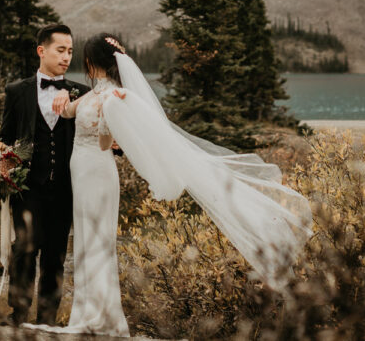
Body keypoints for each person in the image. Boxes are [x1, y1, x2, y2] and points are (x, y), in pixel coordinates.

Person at [26, 32, 313, 335]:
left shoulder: (113, 98)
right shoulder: (96, 94)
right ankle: (87, 314)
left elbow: (104, 143)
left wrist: (109, 120)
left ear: (90, 61)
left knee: (98, 243)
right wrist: (64, 100)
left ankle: (101, 317)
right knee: (86, 240)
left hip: (96, 173)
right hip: (82, 174)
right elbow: (70, 111)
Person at [0, 23, 90, 327]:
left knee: (54, 257)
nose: (66, 57)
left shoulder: (83, 93)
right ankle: (18, 316)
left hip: (64, 189)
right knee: (23, 250)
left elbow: (96, 135)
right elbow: (6, 137)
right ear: (42, 51)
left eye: (70, 51)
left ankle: (48, 321)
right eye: (60, 50)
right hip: (27, 188)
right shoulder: (17, 91)